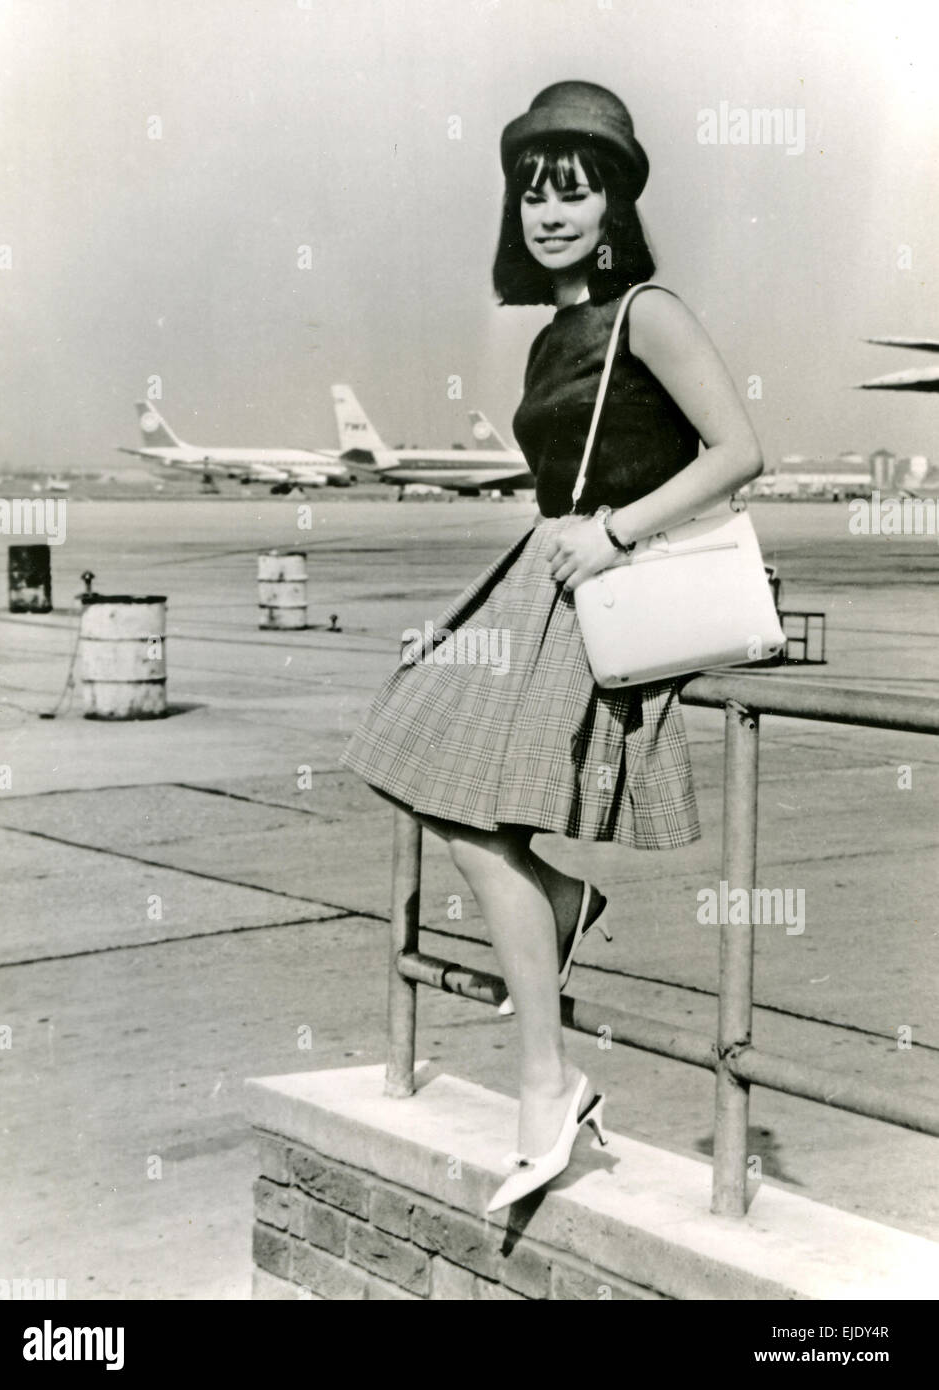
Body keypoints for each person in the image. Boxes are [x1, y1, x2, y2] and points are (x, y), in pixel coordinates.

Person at [338, 81, 763, 1213]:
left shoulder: (649, 312)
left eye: (573, 191)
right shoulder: (548, 335)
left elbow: (740, 449)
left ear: (615, 201)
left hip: (603, 588)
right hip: (540, 579)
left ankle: (546, 1079)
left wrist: (615, 532)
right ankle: (559, 935)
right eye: (533, 194)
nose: (550, 214)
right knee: (422, 762)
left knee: (475, 803)